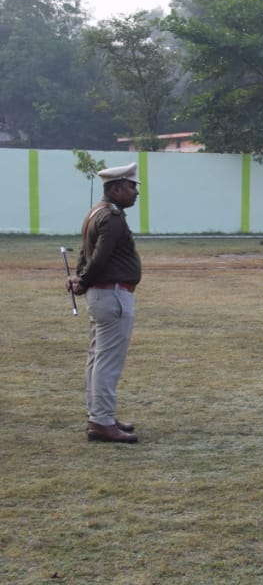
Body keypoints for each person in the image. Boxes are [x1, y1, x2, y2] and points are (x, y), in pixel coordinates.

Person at [69, 162, 143, 444]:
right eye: (131, 187)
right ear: (116, 188)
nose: (135, 193)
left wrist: (80, 278)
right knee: (107, 362)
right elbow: (99, 257)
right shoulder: (111, 217)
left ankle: (100, 416)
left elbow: (85, 254)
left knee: (97, 359)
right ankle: (101, 422)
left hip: (102, 294)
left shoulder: (95, 212)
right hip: (112, 294)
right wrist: (84, 280)